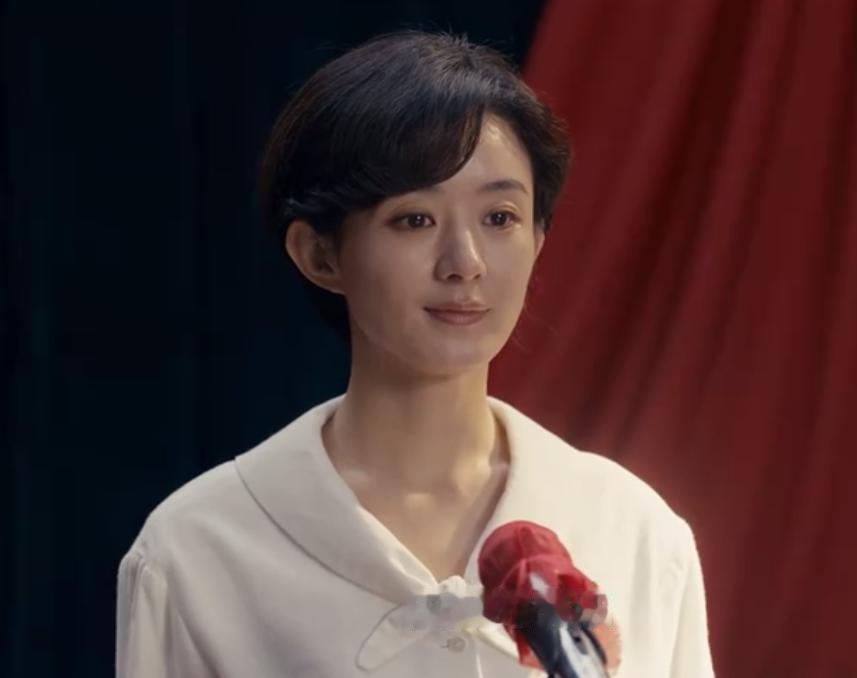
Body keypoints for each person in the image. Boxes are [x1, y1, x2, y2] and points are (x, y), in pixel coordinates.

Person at [116, 29, 715, 677]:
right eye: (414, 219)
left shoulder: (633, 531)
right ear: (320, 254)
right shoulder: (199, 550)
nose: (465, 262)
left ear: (539, 238)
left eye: (499, 218)